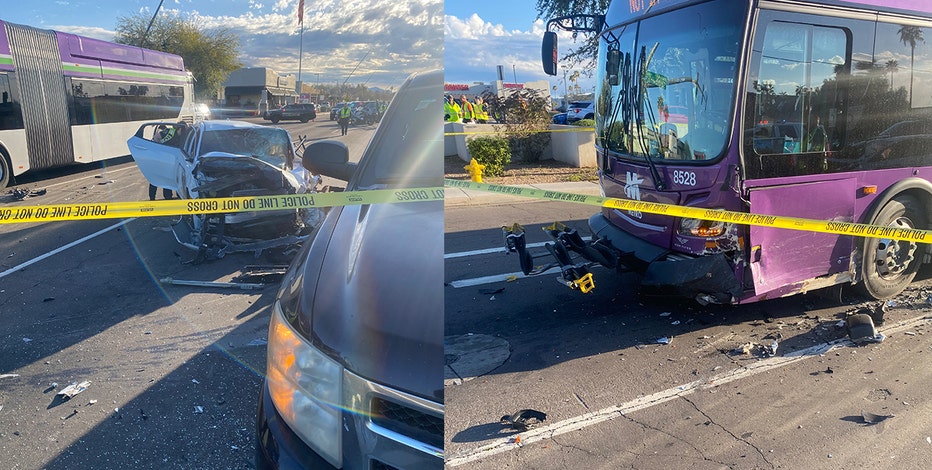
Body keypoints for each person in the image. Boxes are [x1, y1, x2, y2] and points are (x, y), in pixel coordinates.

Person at [148, 125, 175, 200]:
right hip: (165, 163)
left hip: (156, 163)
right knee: (166, 180)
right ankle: (168, 196)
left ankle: (152, 197)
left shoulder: (154, 139)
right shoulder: (169, 139)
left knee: (154, 180)